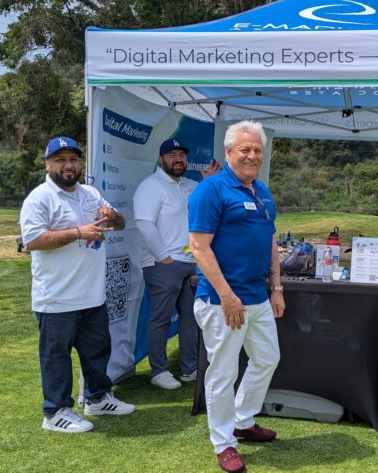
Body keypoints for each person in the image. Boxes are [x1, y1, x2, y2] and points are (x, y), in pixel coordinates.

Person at [20, 136, 135, 433]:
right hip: (57, 296)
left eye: (72, 159)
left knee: (97, 352)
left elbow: (120, 224)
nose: (68, 165)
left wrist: (113, 216)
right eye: (60, 160)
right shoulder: (39, 198)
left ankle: (97, 398)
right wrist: (78, 232)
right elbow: (33, 241)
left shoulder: (91, 194)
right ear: (48, 164)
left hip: (93, 294)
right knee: (56, 357)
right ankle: (55, 412)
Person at [188, 121, 285, 473]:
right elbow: (199, 248)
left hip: (257, 298)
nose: (252, 155)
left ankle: (243, 420)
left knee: (267, 358)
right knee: (222, 373)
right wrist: (226, 295)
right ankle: (224, 443)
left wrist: (276, 287)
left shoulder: (262, 191)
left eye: (257, 150)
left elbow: (270, 239)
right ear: (228, 153)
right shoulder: (210, 191)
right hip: (222, 302)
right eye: (244, 149)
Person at [132, 139, 220, 390]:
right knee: (160, 319)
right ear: (162, 158)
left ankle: (190, 368)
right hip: (163, 265)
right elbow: (144, 224)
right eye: (172, 154)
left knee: (191, 318)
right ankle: (158, 371)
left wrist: (209, 183)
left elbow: (203, 203)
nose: (178, 159)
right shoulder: (151, 186)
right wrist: (164, 257)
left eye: (182, 154)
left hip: (190, 264)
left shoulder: (189, 185)